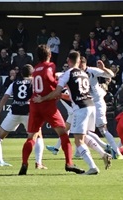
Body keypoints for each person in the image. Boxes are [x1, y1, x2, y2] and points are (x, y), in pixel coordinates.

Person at [33, 51, 112, 175]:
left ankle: (93, 167)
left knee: (78, 141)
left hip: (80, 108)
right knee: (83, 136)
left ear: (68, 61)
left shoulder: (68, 73)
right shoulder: (84, 73)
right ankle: (103, 154)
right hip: (91, 105)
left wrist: (42, 99)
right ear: (79, 61)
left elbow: (57, 92)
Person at [18, 45, 84, 175]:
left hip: (35, 104)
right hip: (47, 105)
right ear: (49, 55)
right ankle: (69, 163)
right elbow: (48, 77)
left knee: (31, 136)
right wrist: (56, 84)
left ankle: (24, 164)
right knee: (63, 134)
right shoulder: (50, 66)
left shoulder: (35, 68)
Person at [0, 64, 46, 170]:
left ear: (21, 73)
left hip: (14, 112)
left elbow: (5, 98)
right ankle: (38, 163)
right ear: (32, 73)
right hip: (28, 113)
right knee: (38, 136)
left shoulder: (14, 83)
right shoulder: (34, 83)